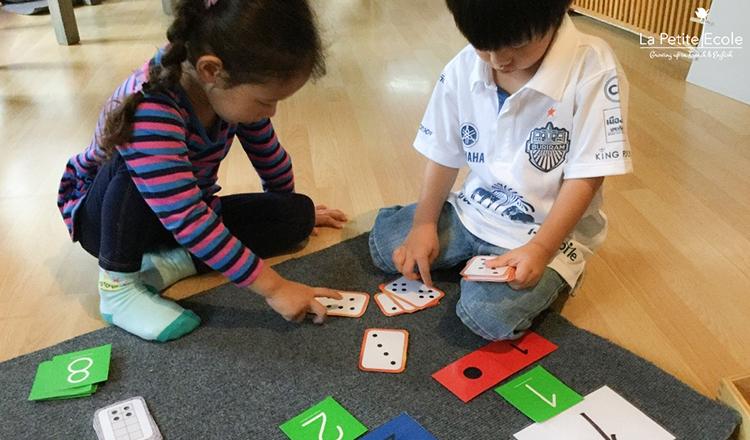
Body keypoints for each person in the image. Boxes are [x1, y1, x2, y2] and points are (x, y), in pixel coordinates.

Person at [57, 0, 348, 342]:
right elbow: (188, 217)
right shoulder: (151, 107)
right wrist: (275, 288)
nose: (271, 111)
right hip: (108, 224)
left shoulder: (228, 90)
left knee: (298, 214)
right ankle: (118, 286)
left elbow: (270, 155)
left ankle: (170, 264)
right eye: (264, 100)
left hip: (181, 212)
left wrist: (284, 208)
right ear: (211, 71)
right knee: (132, 166)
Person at [369, 0, 633, 341]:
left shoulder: (593, 68)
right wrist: (423, 223)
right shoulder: (463, 67)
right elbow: (443, 153)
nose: (499, 61)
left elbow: (586, 175)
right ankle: (448, 241)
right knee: (386, 245)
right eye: (483, 46)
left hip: (545, 232)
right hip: (474, 209)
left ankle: (560, 271)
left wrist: (540, 250)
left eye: (518, 45)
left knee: (485, 316)